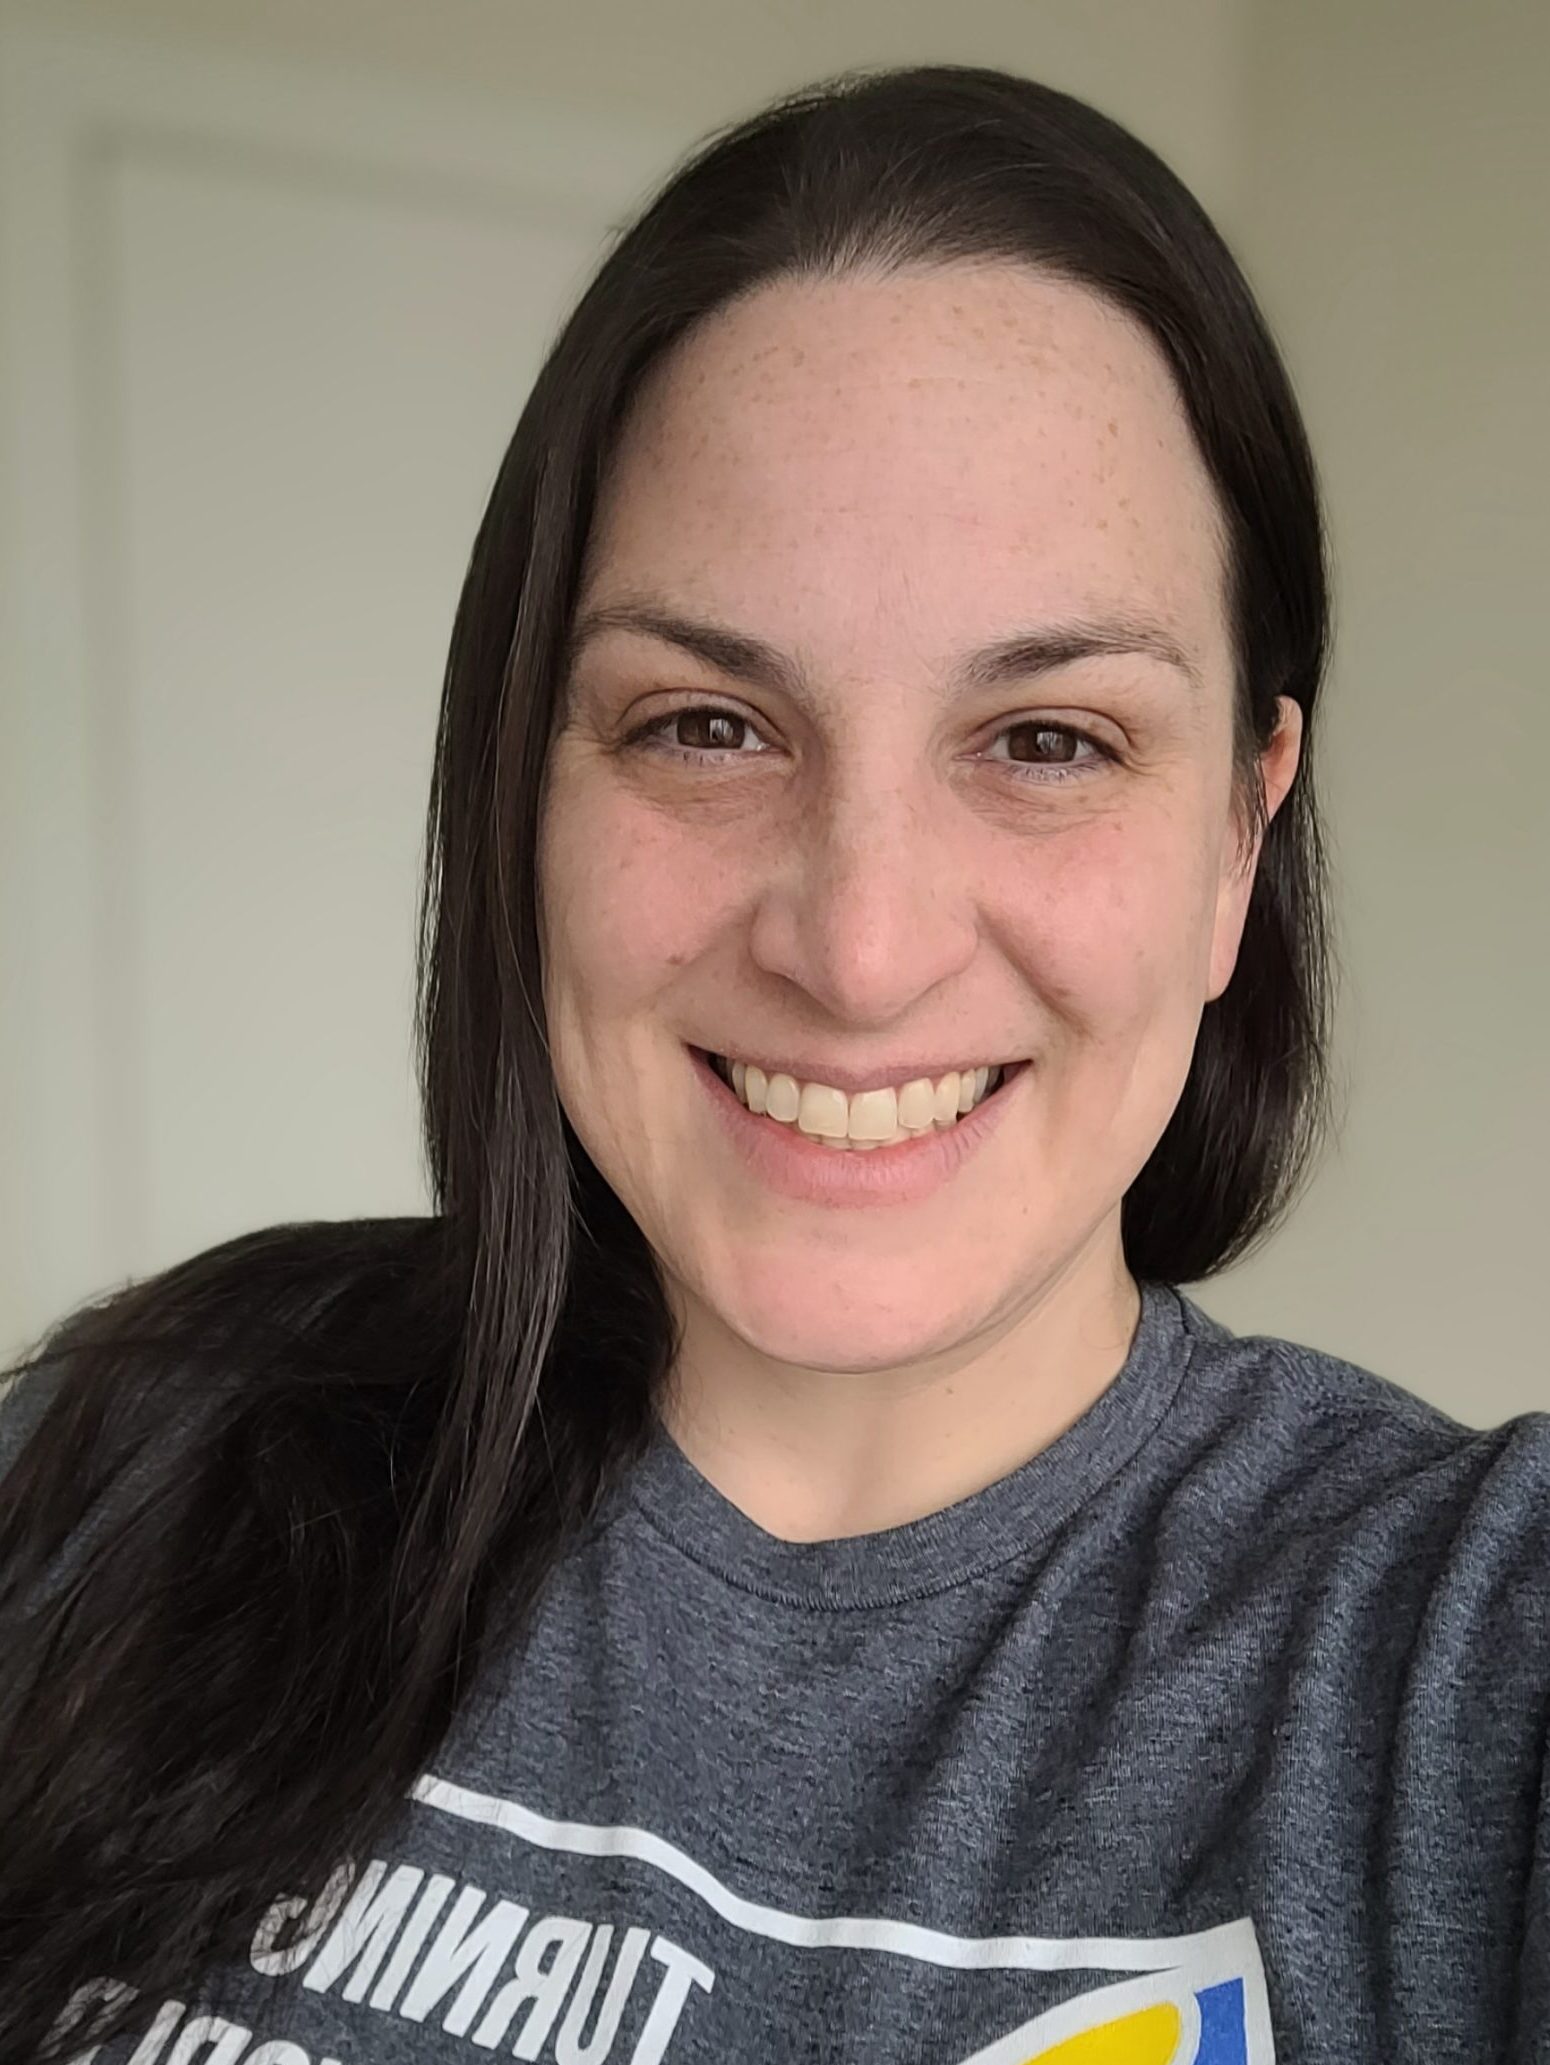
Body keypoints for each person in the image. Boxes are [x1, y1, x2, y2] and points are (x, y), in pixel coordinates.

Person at [0, 60, 1543, 2065]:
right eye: (707, 725)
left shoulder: (1458, 1669)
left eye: (1047, 739)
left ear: (1241, 832)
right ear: (526, 784)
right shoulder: (141, 1454)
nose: (859, 947)